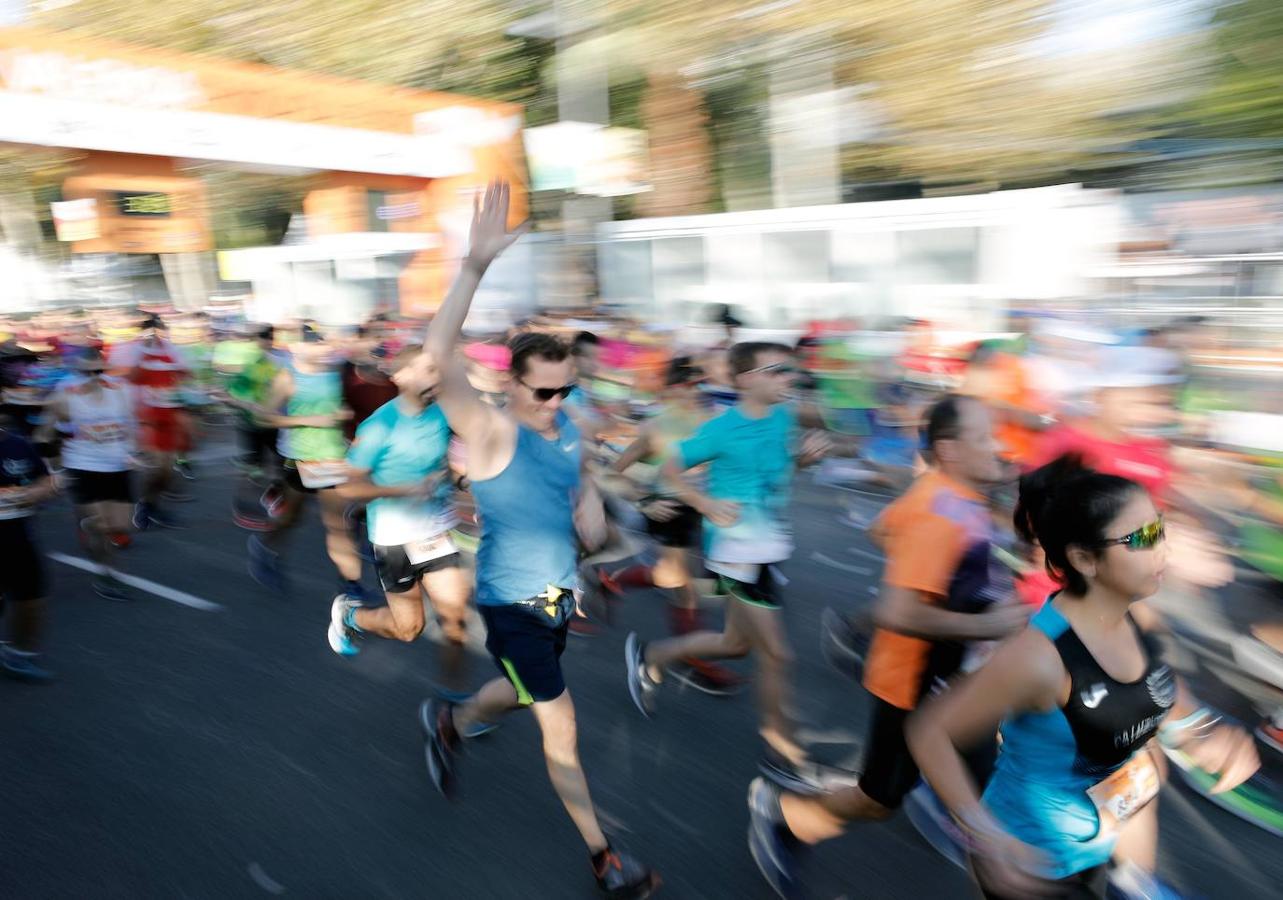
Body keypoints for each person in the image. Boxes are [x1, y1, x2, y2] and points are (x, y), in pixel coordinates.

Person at [417, 182, 657, 898]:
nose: (556, 405)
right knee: (561, 726)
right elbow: (437, 355)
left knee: (520, 697)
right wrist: (473, 265)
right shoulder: (491, 431)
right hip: (511, 603)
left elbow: (576, 489)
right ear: (513, 386)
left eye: (565, 390)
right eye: (543, 393)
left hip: (557, 596)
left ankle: (452, 720)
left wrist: (591, 514)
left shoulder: (569, 430)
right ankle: (604, 857)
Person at [906, 454, 1260, 899]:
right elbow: (929, 733)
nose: (1163, 549)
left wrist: (1201, 729)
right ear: (1084, 559)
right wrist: (985, 839)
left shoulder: (1137, 615)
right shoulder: (1039, 658)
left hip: (1109, 842)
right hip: (1036, 866)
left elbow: (1156, 688)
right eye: (1143, 538)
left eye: (1161, 528)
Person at [746, 394, 1031, 897]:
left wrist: (970, 591)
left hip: (957, 682)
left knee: (987, 802)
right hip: (913, 682)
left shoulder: (953, 496)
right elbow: (897, 613)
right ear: (950, 449)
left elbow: (884, 529)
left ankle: (1000, 860)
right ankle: (784, 814)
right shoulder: (938, 510)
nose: (998, 445)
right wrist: (989, 624)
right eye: (984, 436)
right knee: (880, 799)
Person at [623, 341, 830, 780]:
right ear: (745, 380)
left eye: (788, 371)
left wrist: (805, 460)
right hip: (737, 548)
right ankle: (782, 753)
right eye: (775, 371)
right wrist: (703, 502)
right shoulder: (722, 428)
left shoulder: (782, 418)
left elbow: (780, 469)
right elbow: (669, 471)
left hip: (768, 544)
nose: (787, 379)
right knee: (778, 654)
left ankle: (653, 657)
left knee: (736, 644)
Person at [604, 357, 742, 694]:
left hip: (705, 511)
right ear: (671, 388)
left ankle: (613, 582)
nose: (695, 391)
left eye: (700, 383)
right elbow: (614, 472)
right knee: (682, 586)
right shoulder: (655, 428)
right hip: (670, 511)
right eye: (688, 384)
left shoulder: (713, 421)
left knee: (679, 580)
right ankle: (695, 660)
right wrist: (645, 501)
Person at [330, 345, 470, 656]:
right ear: (400, 376)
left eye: (437, 370)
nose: (436, 377)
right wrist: (405, 490)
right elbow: (348, 488)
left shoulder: (443, 414)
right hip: (394, 538)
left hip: (435, 531)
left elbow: (447, 461)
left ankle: (453, 700)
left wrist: (463, 479)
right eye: (428, 370)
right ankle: (351, 615)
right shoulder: (380, 426)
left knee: (455, 619)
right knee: (409, 629)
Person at [245, 325, 363, 598]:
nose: (320, 348)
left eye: (321, 342)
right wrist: (309, 420)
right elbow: (262, 416)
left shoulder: (335, 374)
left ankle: (351, 587)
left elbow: (347, 405)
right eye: (313, 343)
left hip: (333, 456)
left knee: (338, 524)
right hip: (300, 458)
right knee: (290, 519)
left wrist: (345, 413)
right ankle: (264, 548)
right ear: (297, 348)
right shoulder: (288, 377)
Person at [38, 350, 138, 602]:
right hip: (82, 466)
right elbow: (44, 435)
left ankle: (88, 525)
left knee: (120, 527)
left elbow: (132, 425)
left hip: (117, 467)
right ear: (76, 373)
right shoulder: (64, 399)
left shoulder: (121, 391)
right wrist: (55, 471)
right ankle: (106, 572)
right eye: (85, 372)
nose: (92, 377)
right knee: (102, 527)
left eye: (98, 371)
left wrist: (133, 451)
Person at [111, 315, 190, 530]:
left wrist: (173, 386)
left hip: (166, 414)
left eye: (160, 329)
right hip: (139, 416)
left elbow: (185, 373)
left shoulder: (170, 349)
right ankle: (137, 508)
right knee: (155, 467)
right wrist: (143, 353)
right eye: (153, 329)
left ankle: (149, 504)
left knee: (166, 471)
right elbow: (123, 377)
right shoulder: (127, 349)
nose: (157, 333)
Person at [0, 414, 57, 681]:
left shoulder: (17, 445)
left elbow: (44, 480)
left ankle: (18, 655)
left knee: (32, 599)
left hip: (18, 535)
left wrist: (37, 492)